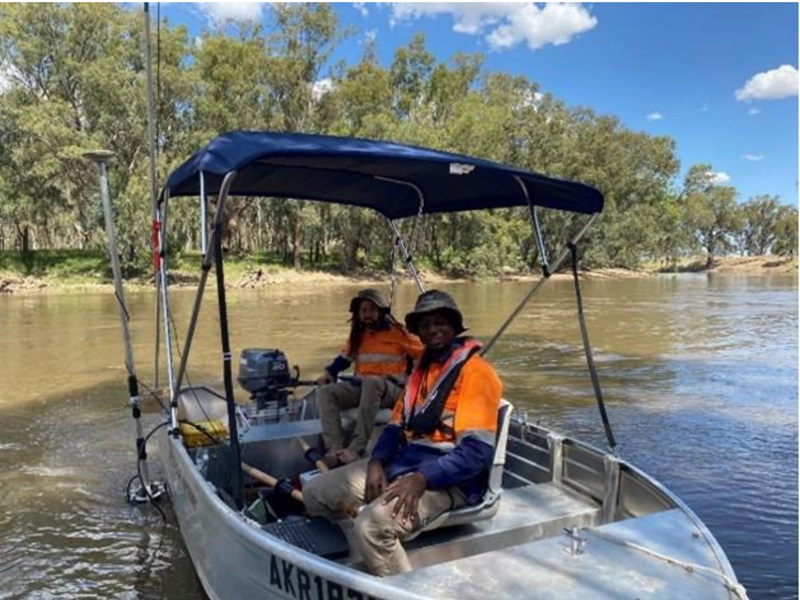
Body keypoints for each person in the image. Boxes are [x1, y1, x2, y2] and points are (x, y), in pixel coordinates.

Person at [304, 290, 503, 576]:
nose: (433, 330)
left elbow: (477, 454)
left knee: (371, 527)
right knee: (314, 493)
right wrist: (376, 462)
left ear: (456, 327)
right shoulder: (420, 371)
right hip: (406, 463)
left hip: (449, 480)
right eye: (425, 325)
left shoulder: (477, 372)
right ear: (418, 332)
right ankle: (352, 566)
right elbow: (396, 426)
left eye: (440, 322)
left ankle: (397, 582)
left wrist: (422, 478)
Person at [315, 288, 423, 467]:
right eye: (363, 311)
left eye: (372, 310)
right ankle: (334, 449)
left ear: (381, 311)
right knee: (326, 392)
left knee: (371, 382)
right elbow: (344, 358)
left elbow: (424, 354)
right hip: (365, 389)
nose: (367, 315)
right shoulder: (358, 335)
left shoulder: (400, 333)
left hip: (393, 391)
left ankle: (356, 448)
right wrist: (329, 372)